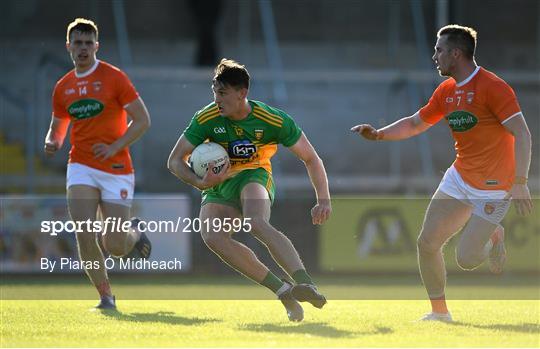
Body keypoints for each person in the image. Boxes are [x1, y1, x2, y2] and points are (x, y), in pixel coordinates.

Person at [351, 24, 533, 322]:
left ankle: (494, 237)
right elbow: (414, 124)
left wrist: (521, 182)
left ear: (456, 53)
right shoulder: (446, 91)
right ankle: (440, 313)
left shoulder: (493, 87)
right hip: (459, 177)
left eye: (438, 50)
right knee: (427, 243)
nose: (434, 56)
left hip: (493, 186)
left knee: (467, 260)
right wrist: (379, 135)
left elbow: (523, 134)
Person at [168, 58, 332, 322]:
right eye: (214, 92)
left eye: (222, 93)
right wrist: (199, 183)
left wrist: (323, 199)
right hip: (219, 183)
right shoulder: (206, 117)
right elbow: (175, 160)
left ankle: (305, 282)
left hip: (254, 175)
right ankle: (283, 291)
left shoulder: (272, 119)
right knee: (212, 237)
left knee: (255, 222)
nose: (216, 99)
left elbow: (311, 158)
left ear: (242, 93)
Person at [44, 18, 152, 310]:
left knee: (115, 245)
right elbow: (58, 124)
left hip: (116, 168)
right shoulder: (63, 87)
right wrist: (53, 140)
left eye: (88, 43)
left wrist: (115, 146)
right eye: (77, 43)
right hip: (80, 165)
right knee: (84, 231)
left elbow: (142, 120)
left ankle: (134, 234)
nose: (83, 48)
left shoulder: (114, 77)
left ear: (96, 46)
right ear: (69, 46)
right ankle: (106, 297)